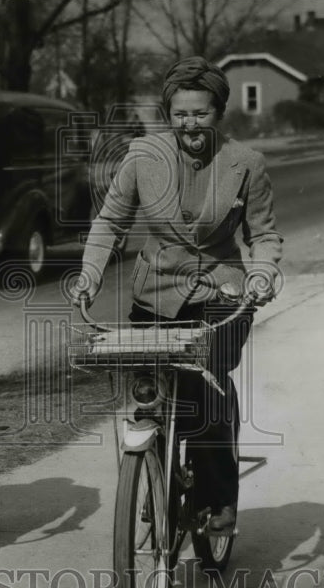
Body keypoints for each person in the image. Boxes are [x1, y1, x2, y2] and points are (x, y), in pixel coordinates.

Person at [71, 55, 283, 531]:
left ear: (218, 113)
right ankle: (155, 472)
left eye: (200, 113)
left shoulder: (246, 164)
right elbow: (110, 221)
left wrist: (262, 274)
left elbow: (264, 234)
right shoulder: (143, 157)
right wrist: (90, 273)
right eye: (180, 114)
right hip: (157, 294)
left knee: (205, 382)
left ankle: (218, 498)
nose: (190, 124)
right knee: (149, 388)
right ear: (168, 115)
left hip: (221, 292)